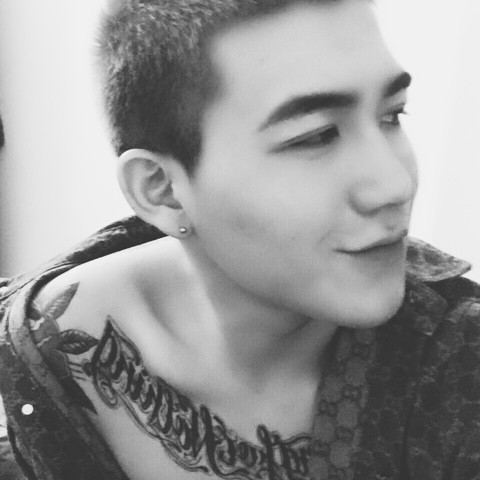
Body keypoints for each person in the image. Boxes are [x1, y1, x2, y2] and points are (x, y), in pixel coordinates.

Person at [0, 0, 479, 479]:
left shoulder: (459, 369)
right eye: (315, 136)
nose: (394, 185)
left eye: (393, 115)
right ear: (162, 190)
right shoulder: (35, 347)